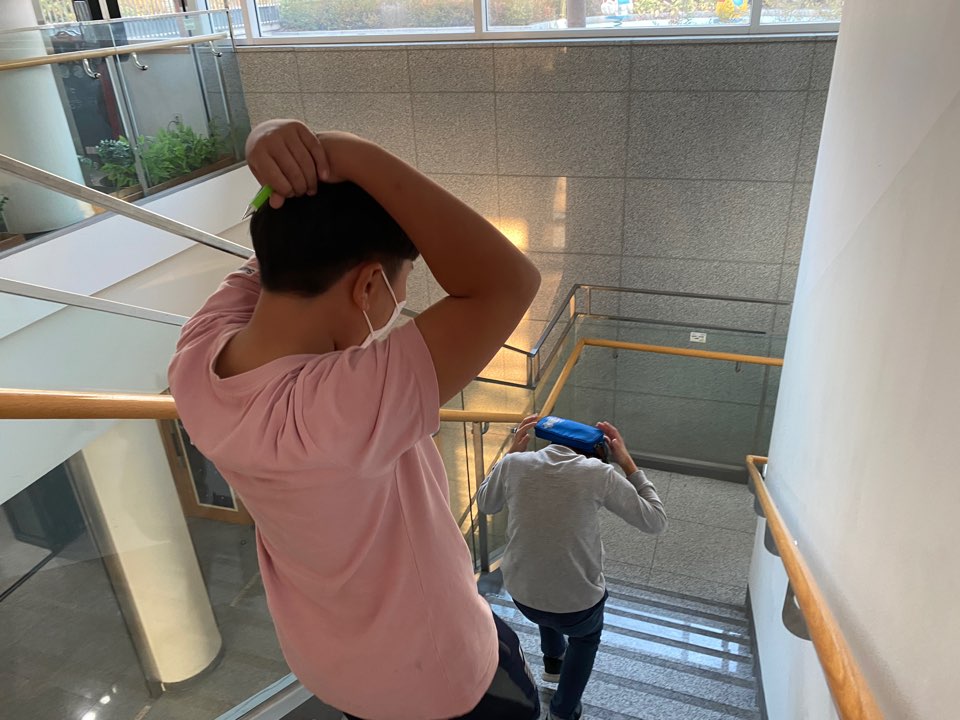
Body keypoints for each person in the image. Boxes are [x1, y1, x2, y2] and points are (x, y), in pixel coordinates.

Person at [168, 120, 542, 720]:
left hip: (334, 664)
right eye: (402, 284)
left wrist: (273, 144)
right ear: (368, 284)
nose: (402, 304)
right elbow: (509, 282)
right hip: (439, 679)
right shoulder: (336, 409)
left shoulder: (196, 358)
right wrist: (345, 151)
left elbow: (277, 255)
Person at [477, 415, 668, 720]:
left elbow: (486, 504)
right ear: (596, 452)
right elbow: (655, 520)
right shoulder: (598, 473)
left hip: (522, 596)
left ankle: (553, 662)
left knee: (544, 572)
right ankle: (563, 711)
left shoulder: (514, 464)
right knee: (585, 637)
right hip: (577, 608)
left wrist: (510, 453)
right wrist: (628, 464)